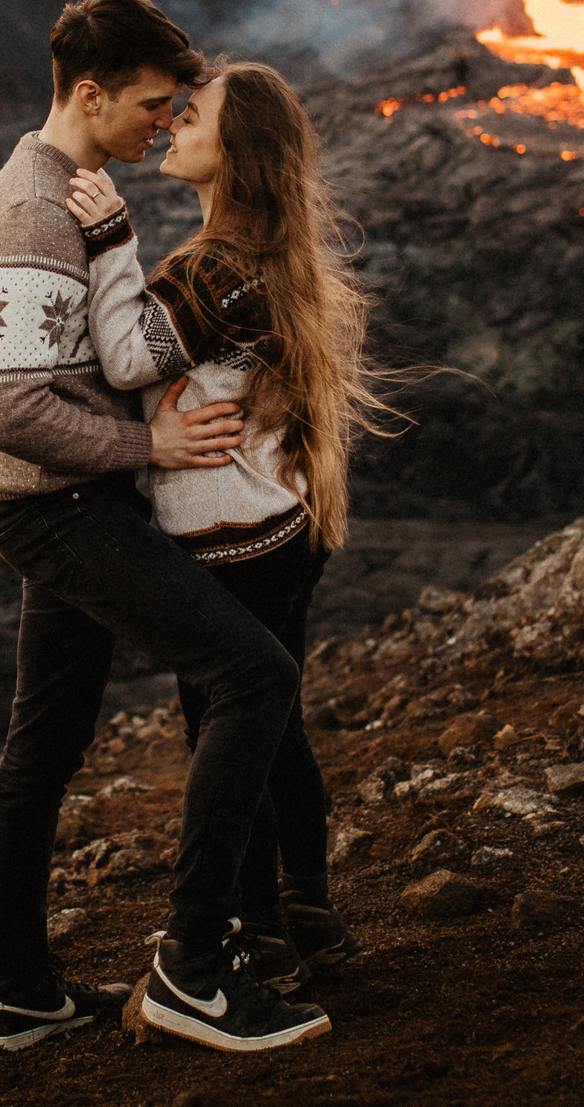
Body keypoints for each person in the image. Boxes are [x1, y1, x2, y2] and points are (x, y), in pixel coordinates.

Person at [0, 0, 334, 1054]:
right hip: (58, 508)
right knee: (253, 676)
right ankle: (191, 973)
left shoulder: (60, 195)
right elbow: (12, 410)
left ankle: (22, 991)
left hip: (68, 503)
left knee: (47, 741)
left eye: (180, 112)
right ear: (91, 95)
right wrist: (152, 448)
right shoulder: (34, 214)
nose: (161, 126)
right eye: (154, 106)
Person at [62, 59, 384, 1003]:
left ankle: (252, 929)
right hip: (275, 530)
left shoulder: (218, 266)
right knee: (272, 727)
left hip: (235, 543)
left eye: (189, 116)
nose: (169, 126)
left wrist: (113, 236)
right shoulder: (252, 255)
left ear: (233, 148)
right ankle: (303, 912)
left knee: (230, 730)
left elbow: (128, 356)